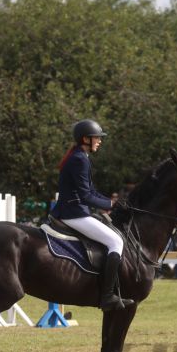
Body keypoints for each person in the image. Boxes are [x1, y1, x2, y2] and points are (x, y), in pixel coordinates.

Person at [51, 119, 133, 310]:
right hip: (74, 213)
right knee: (116, 242)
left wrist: (112, 203)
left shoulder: (80, 156)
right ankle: (107, 296)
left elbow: (92, 191)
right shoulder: (79, 159)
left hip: (76, 211)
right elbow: (85, 196)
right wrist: (110, 204)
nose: (100, 141)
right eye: (97, 137)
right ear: (86, 139)